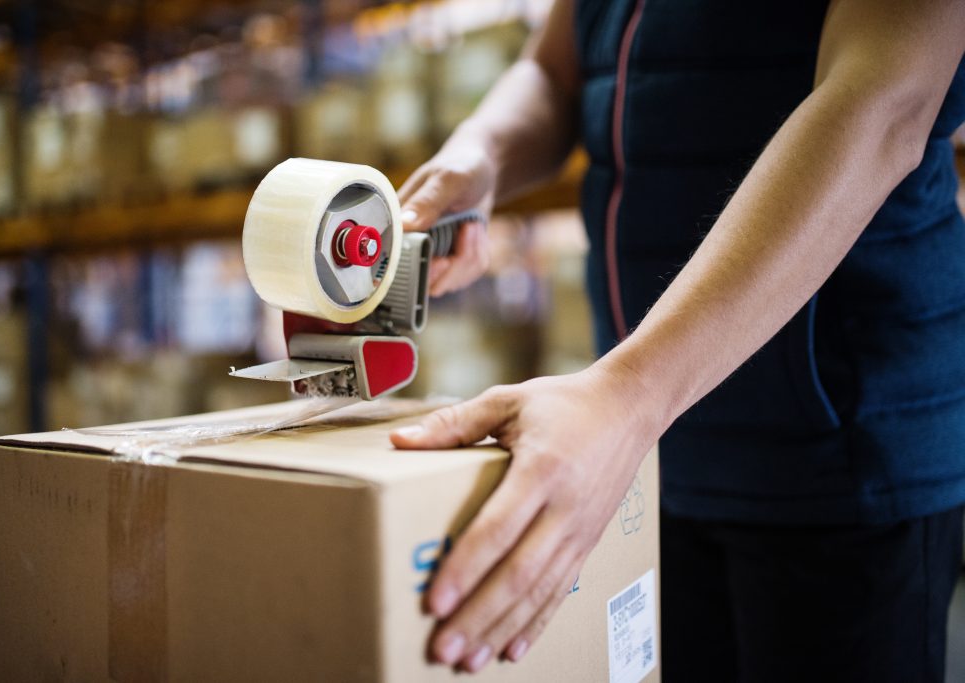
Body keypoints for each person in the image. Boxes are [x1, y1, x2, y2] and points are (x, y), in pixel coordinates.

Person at [387, 0, 965, 680]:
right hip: (659, 455)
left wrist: (628, 396)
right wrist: (480, 150)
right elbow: (552, 72)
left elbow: (882, 106)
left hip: (839, 460)